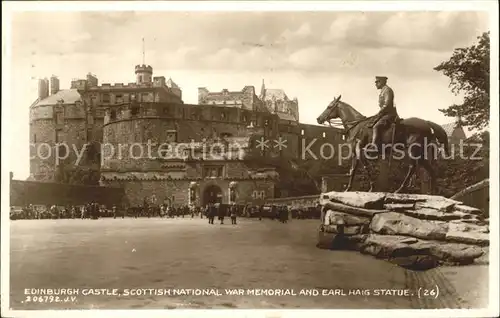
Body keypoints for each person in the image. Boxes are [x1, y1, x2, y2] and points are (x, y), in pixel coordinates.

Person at [371, 76, 399, 151]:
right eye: (376, 82)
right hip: (384, 114)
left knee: (376, 127)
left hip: (389, 115)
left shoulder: (387, 90)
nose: (376, 83)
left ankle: (374, 147)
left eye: (377, 82)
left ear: (382, 82)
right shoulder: (383, 90)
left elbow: (387, 105)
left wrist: (379, 113)